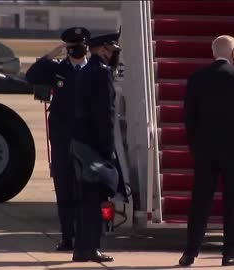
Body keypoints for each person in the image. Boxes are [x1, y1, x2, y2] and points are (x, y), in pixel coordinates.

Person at [179, 35, 234, 267]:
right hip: (231, 150)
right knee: (232, 203)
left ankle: (190, 252)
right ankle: (230, 253)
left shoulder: (197, 77)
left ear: (213, 52)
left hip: (204, 149)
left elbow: (189, 116)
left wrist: (194, 145)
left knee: (200, 202)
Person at [25, 27, 90, 251]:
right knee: (64, 189)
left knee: (86, 190)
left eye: (80, 44)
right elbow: (31, 76)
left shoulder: (94, 70)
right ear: (67, 48)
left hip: (86, 140)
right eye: (72, 46)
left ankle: (86, 237)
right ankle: (67, 237)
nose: (77, 49)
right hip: (62, 140)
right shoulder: (57, 69)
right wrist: (49, 57)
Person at [71, 32, 127, 262]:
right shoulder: (102, 74)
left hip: (80, 142)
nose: (113, 55)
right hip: (95, 146)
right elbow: (105, 116)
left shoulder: (84, 71)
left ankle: (81, 248)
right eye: (112, 50)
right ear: (102, 49)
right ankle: (90, 248)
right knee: (96, 200)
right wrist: (108, 150)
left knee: (85, 200)